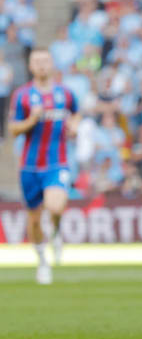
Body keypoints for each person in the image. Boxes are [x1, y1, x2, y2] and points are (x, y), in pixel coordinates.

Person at [9, 49, 80, 284]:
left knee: (56, 206)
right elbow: (13, 129)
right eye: (36, 61)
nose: (41, 65)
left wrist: (74, 126)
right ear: (30, 66)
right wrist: (31, 120)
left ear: (52, 64)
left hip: (56, 162)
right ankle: (42, 262)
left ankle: (57, 232)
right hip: (29, 166)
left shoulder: (65, 93)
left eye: (45, 61)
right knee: (35, 219)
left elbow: (76, 113)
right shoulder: (22, 96)